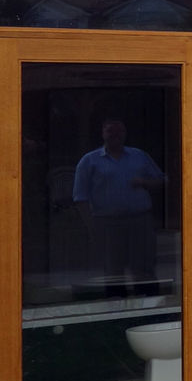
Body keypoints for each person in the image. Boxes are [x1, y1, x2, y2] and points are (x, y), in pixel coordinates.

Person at [73, 119, 165, 283]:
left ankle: (150, 304)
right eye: (110, 131)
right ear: (103, 134)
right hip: (108, 224)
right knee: (113, 270)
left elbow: (162, 180)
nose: (115, 135)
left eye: (119, 131)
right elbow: (80, 197)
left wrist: (144, 182)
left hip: (140, 221)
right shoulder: (89, 161)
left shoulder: (139, 156)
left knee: (144, 267)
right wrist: (91, 226)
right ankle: (116, 304)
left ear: (125, 134)